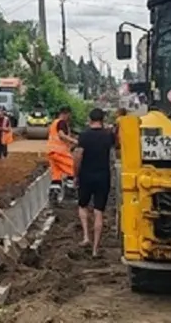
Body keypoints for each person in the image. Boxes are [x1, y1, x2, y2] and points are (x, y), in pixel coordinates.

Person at [74, 107, 117, 258]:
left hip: (86, 175)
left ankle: (86, 236)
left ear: (90, 119)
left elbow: (78, 156)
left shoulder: (84, 136)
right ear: (102, 120)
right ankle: (95, 249)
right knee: (99, 211)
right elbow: (117, 145)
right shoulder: (108, 136)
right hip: (103, 176)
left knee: (82, 205)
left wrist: (76, 175)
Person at [46, 106, 77, 195]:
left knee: (56, 174)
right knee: (73, 168)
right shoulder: (61, 122)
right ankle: (69, 192)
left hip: (51, 151)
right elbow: (61, 135)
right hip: (59, 152)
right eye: (69, 115)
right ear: (66, 114)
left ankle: (54, 195)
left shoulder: (54, 123)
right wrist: (74, 141)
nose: (69, 117)